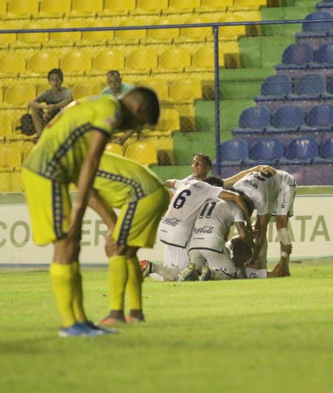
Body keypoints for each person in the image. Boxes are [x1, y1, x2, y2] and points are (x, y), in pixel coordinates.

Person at [21, 88, 160, 337]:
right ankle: (68, 324)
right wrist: (79, 211)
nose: (133, 132)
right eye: (139, 125)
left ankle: (81, 321)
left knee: (71, 245)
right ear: (138, 109)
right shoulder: (112, 110)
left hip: (51, 170)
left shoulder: (97, 104)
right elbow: (92, 161)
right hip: (46, 172)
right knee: (65, 244)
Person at [86, 152, 169, 326]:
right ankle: (136, 313)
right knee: (127, 252)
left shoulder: (77, 163)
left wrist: (112, 228)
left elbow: (89, 196)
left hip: (142, 194)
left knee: (116, 249)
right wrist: (113, 227)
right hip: (154, 191)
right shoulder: (86, 156)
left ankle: (116, 314)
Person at [145, 187, 255, 282]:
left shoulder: (208, 202)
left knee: (190, 275)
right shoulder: (236, 209)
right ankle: (211, 273)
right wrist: (254, 244)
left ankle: (153, 268)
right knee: (231, 273)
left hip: (194, 244)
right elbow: (243, 235)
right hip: (211, 241)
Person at [232, 168, 296, 272]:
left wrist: (253, 258)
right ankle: (261, 267)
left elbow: (262, 231)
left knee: (281, 225)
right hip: (267, 187)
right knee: (257, 226)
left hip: (284, 184)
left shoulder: (259, 197)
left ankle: (285, 268)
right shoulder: (235, 190)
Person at [199, 238, 292, 281]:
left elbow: (231, 241)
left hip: (214, 266)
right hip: (229, 274)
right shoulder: (247, 271)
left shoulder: (225, 253)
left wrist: (242, 236)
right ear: (249, 255)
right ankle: (209, 273)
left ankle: (208, 272)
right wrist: (285, 253)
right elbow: (275, 274)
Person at [28, 68, 73, 138]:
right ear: (49, 82)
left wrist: (54, 106)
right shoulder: (47, 93)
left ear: (61, 81)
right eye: (52, 80)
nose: (55, 82)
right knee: (34, 108)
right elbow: (31, 103)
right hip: (49, 117)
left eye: (57, 79)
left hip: (62, 117)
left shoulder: (66, 92)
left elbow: (69, 100)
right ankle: (40, 135)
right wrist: (44, 107)